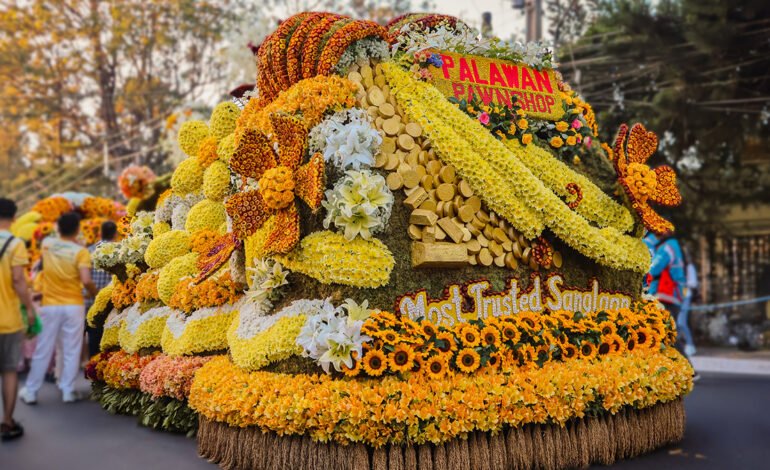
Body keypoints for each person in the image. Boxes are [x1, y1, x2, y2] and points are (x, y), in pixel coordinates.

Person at [20, 212, 97, 404]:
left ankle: (31, 391)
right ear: (77, 229)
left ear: (58, 228)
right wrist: (94, 292)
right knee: (72, 349)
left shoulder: (47, 244)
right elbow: (86, 280)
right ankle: (68, 390)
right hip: (73, 305)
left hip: (51, 305)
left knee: (43, 348)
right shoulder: (81, 252)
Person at [0, 198, 36, 440]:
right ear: (14, 218)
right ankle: (7, 422)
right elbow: (18, 281)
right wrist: (29, 309)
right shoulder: (15, 244)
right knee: (9, 370)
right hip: (7, 319)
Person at [645, 232, 699, 380]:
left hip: (667, 296)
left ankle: (689, 369)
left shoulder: (667, 247)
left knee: (667, 333)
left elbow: (654, 268)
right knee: (663, 333)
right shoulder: (673, 245)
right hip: (672, 296)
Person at [84, 220, 116, 358]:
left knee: (93, 334)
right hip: (110, 301)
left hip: (90, 299)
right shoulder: (118, 250)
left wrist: (94, 294)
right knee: (108, 336)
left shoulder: (89, 250)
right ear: (115, 234)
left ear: (100, 233)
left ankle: (93, 361)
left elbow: (85, 279)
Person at [679, 246, 698, 357]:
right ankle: (680, 345)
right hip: (677, 296)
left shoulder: (689, 267)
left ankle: (690, 345)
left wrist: (683, 282)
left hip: (686, 296)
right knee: (676, 323)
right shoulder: (677, 266)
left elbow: (693, 283)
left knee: (682, 322)